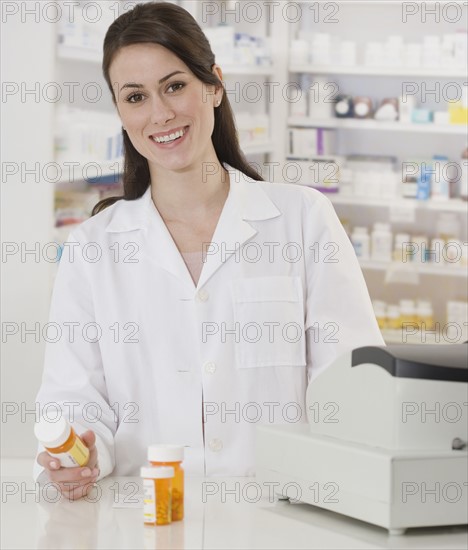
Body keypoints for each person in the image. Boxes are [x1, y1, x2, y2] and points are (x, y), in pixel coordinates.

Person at [34, 2, 384, 500]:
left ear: (214, 85)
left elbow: (351, 386)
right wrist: (80, 455)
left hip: (279, 519)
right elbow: (75, 399)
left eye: (175, 85)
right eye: (135, 96)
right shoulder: (93, 250)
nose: (160, 114)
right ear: (120, 112)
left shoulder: (302, 220)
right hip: (145, 521)